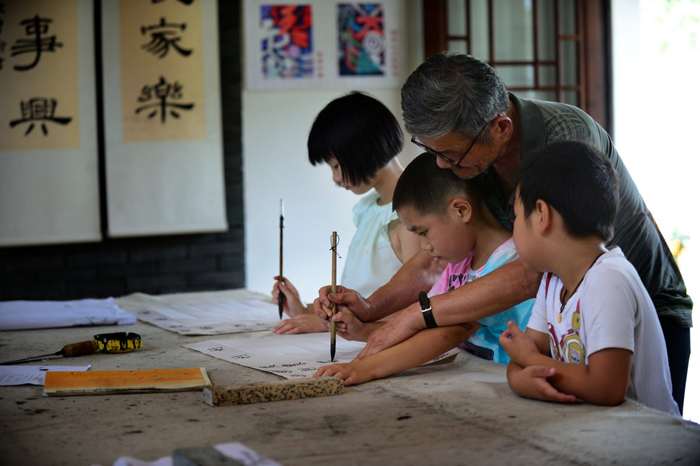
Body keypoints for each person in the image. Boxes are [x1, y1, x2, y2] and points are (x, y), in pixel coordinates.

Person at [314, 52, 692, 413]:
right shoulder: (471, 156)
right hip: (563, 313)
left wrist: (418, 314)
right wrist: (371, 307)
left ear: (500, 129)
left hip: (647, 309)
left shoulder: (564, 144)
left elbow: (535, 269)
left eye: (450, 155)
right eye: (432, 152)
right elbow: (439, 252)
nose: (442, 166)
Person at [314, 153, 534, 385]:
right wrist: (363, 330)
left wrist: (367, 368)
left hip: (503, 382)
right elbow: (428, 324)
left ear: (461, 210)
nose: (424, 247)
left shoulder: (508, 262)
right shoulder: (459, 262)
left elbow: (446, 333)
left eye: (423, 232)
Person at [498, 141, 679, 416]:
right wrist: (520, 380)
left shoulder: (608, 279)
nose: (514, 228)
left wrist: (531, 360)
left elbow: (606, 387)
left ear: (542, 216)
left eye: (516, 217)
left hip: (645, 432)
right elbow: (523, 358)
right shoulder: (552, 282)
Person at [272, 92, 421, 335]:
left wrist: (330, 324)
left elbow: (417, 305)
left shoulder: (412, 213)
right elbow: (362, 292)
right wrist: (304, 309)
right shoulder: (369, 208)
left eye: (336, 166)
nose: (335, 178)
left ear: (365, 151)